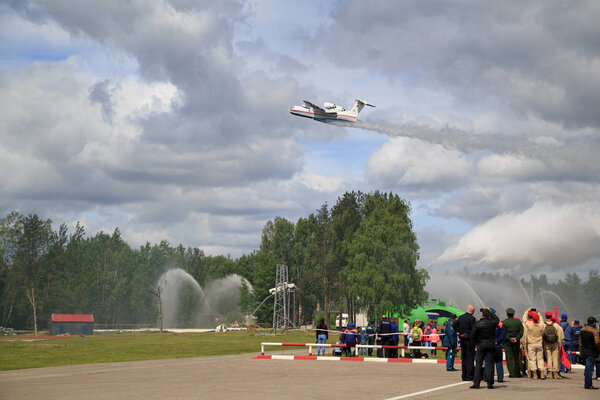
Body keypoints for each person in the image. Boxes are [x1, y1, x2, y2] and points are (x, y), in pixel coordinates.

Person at [470, 308, 499, 389]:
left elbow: (472, 335)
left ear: (482, 315)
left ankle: (476, 383)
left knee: (478, 364)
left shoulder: (477, 323)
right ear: (489, 315)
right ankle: (490, 384)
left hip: (480, 345)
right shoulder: (492, 323)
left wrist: (476, 342)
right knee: (490, 364)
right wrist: (491, 312)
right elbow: (497, 319)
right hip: (490, 345)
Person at [484, 308, 505, 383]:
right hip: (497, 345)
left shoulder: (485, 321)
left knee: (488, 362)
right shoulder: (499, 323)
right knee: (499, 362)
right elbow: (503, 333)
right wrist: (497, 340)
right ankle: (500, 378)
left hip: (488, 344)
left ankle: (487, 377)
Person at [522, 308, 545, 379]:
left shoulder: (529, 324)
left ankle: (534, 373)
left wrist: (526, 311)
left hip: (531, 344)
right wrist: (538, 313)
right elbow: (541, 320)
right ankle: (541, 373)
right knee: (540, 359)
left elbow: (524, 319)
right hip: (539, 344)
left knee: (532, 359)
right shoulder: (541, 325)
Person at [456, 305, 476, 381]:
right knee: (470, 358)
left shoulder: (460, 317)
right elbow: (473, 330)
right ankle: (469, 376)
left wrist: (460, 333)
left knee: (464, 358)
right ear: (472, 311)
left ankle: (464, 375)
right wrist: (467, 335)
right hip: (469, 341)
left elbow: (454, 325)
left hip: (462, 341)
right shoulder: (472, 318)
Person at [579, 316, 600, 390]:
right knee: (589, 369)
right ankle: (588, 384)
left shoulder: (582, 330)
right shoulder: (595, 331)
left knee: (587, 368)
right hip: (591, 352)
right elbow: (597, 342)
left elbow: (580, 343)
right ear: (593, 323)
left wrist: (581, 352)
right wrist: (598, 349)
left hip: (584, 352)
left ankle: (587, 383)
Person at [503, 307, 524, 378]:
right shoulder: (518, 322)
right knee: (516, 357)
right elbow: (521, 331)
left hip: (507, 342)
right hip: (516, 341)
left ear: (507, 314)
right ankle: (517, 373)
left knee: (509, 358)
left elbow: (503, 332)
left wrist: (509, 338)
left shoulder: (504, 322)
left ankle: (512, 373)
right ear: (513, 314)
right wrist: (516, 338)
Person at [543, 311, 564, 379]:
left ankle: (549, 373)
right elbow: (561, 336)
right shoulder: (556, 325)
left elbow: (542, 336)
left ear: (546, 316)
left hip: (547, 344)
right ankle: (555, 373)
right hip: (555, 344)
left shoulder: (544, 325)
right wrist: (559, 345)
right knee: (555, 358)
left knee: (548, 358)